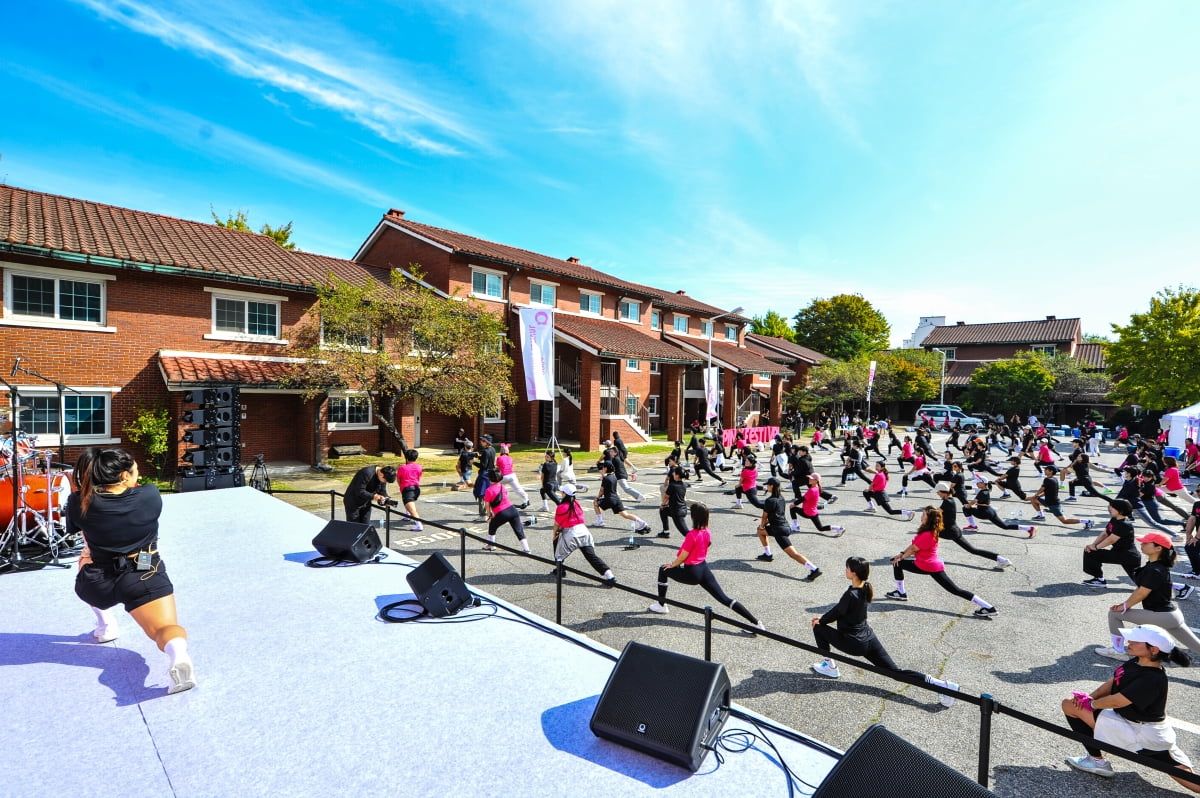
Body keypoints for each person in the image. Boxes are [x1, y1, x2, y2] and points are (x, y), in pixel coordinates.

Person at [66, 448, 195, 694]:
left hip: (98, 582)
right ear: (125, 476)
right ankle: (178, 655)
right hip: (145, 573)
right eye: (135, 470)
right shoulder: (150, 494)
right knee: (164, 630)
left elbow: (80, 533)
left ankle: (106, 625)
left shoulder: (78, 501)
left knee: (84, 558)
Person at [1061, 624, 1198, 791]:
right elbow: (1115, 681)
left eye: (1136, 640)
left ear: (1153, 650)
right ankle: (1096, 761)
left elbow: (1117, 701)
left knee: (1194, 784)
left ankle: (1096, 762)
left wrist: (1090, 704)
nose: (1129, 641)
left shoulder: (1152, 679)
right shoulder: (1137, 661)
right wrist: (1091, 697)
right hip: (1134, 726)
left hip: (1145, 735)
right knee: (1070, 705)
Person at [810, 556, 959, 707]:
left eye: (847, 567)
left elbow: (837, 612)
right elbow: (840, 610)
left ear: (854, 572)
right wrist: (824, 618)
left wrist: (820, 621)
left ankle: (830, 667)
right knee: (896, 672)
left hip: (853, 643)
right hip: (869, 639)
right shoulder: (865, 587)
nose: (845, 570)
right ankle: (943, 685)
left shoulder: (851, 594)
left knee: (818, 627)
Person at [649, 503, 766, 633]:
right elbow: (707, 544)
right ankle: (756, 623)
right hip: (704, 569)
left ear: (693, 517)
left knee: (663, 570)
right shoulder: (707, 532)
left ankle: (661, 605)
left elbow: (683, 556)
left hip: (692, 572)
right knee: (725, 599)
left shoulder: (691, 535)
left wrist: (672, 564)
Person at [1094, 532, 1200, 659]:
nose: (1142, 544)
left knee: (1114, 614)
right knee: (1197, 646)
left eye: (1145, 543)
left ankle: (1118, 651)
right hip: (1171, 616)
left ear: (1158, 548)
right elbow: (1140, 589)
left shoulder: (1155, 569)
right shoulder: (1156, 565)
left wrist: (1125, 605)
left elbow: (1142, 592)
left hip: (1163, 615)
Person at [886, 506, 998, 616]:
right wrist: (901, 554)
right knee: (897, 564)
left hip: (928, 566)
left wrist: (901, 557)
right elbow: (913, 546)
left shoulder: (927, 534)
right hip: (927, 564)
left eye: (923, 515)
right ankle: (900, 593)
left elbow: (913, 549)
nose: (921, 517)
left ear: (929, 519)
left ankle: (989, 607)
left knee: (956, 590)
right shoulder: (929, 530)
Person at [756, 478, 826, 578]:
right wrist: (762, 526)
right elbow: (777, 515)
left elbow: (765, 516)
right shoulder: (781, 498)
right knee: (760, 531)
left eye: (768, 485)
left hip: (779, 530)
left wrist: (762, 525)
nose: (767, 486)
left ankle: (814, 569)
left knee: (793, 554)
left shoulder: (769, 500)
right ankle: (768, 554)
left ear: (771, 486)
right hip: (784, 526)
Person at [935, 482, 1013, 570]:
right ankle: (1002, 559)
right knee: (973, 550)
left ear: (943, 492)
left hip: (949, 531)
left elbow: (936, 512)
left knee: (928, 533)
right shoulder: (950, 500)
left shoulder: (947, 502)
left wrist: (929, 511)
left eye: (938, 492)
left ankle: (927, 556)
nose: (937, 494)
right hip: (953, 530)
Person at [551, 485, 615, 585]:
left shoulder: (561, 507)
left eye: (562, 491)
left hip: (571, 533)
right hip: (584, 531)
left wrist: (554, 534)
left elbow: (556, 524)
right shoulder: (576, 503)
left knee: (558, 551)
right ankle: (610, 575)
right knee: (591, 556)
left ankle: (560, 569)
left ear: (564, 494)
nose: (561, 493)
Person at [1082, 499, 1141, 588]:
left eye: (1112, 507)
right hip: (1121, 553)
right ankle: (1098, 579)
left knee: (1143, 583)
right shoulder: (1114, 519)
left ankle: (1099, 580)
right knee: (1141, 582)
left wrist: (1096, 548)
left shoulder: (1125, 524)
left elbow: (1111, 539)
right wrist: (1093, 545)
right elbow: (1105, 534)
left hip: (1127, 555)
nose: (1109, 508)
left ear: (1120, 511)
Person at [963, 477, 1038, 537]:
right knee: (1005, 526)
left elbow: (974, 501)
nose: (976, 484)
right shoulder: (985, 490)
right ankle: (1029, 528)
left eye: (978, 483)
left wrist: (968, 505)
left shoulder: (983, 492)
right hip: (990, 511)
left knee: (965, 508)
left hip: (984, 513)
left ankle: (973, 526)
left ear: (983, 483)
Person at [481, 467, 531, 553]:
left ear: (490, 479)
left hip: (502, 513)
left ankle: (491, 545)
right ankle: (526, 549)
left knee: (492, 526)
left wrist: (490, 515)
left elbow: (487, 505)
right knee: (518, 530)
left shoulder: (489, 490)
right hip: (513, 510)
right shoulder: (502, 487)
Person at [593, 460, 650, 531]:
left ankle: (600, 521)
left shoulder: (606, 478)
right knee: (625, 514)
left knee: (595, 503)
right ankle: (642, 523)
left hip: (609, 499)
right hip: (616, 499)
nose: (602, 469)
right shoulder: (614, 477)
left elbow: (602, 490)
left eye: (603, 467)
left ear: (606, 468)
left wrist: (597, 497)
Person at [658, 466, 690, 540]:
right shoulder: (684, 484)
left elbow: (666, 497)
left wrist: (663, 504)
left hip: (676, 512)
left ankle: (703, 542)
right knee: (663, 511)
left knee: (686, 533)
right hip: (682, 509)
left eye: (674, 473)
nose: (673, 474)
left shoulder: (672, 486)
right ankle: (665, 532)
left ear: (677, 475)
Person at [495, 443, 530, 508]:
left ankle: (500, 500)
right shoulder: (510, 458)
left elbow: (497, 468)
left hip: (503, 476)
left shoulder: (499, 458)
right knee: (517, 488)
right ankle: (526, 499)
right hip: (511, 475)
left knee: (498, 487)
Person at [396, 449, 423, 531]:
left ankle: (419, 524)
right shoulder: (419, 466)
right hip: (416, 488)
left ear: (406, 458)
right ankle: (407, 515)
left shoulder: (402, 468)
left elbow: (398, 479)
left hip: (407, 488)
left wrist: (401, 487)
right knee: (409, 502)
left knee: (412, 509)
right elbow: (419, 476)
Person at [472, 434, 497, 519]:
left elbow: (483, 465)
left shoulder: (486, 451)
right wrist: (479, 456)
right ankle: (489, 512)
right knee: (489, 495)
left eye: (483, 441)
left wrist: (474, 463)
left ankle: (483, 515)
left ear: (486, 442)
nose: (481, 442)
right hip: (490, 474)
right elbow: (490, 459)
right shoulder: (493, 449)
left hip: (484, 475)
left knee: (481, 494)